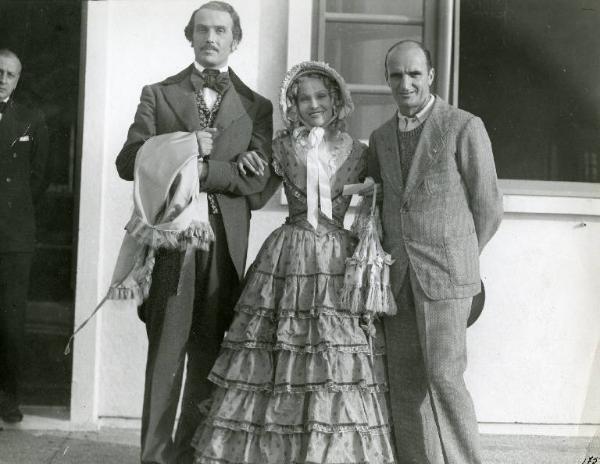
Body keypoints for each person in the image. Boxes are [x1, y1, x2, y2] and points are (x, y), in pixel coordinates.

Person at [192, 61, 396, 464]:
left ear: (337, 100)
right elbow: (254, 188)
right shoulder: (282, 146)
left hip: (339, 258)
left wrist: (374, 192)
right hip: (289, 254)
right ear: (293, 104)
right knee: (281, 349)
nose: (313, 104)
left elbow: (383, 197)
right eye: (304, 98)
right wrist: (238, 164)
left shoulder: (360, 152)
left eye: (321, 96)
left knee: (333, 356)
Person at [115, 2, 273, 463]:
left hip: (224, 246)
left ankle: (190, 455)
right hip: (170, 246)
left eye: (221, 30)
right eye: (202, 29)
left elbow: (257, 182)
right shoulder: (158, 95)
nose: (211, 37)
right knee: (166, 354)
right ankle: (155, 458)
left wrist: (203, 169)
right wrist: (185, 146)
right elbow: (129, 162)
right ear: (190, 36)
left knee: (210, 355)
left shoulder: (256, 106)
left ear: (235, 40)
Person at [367, 40, 503, 464]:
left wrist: (459, 258)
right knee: (404, 386)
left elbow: (489, 208)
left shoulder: (463, 126)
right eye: (395, 75)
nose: (404, 84)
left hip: (447, 278)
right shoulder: (380, 137)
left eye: (413, 74)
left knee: (444, 379)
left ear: (430, 76)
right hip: (398, 277)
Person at [0, 48, 49, 424]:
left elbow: (41, 178)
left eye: (10, 74)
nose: (3, 79)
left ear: (18, 80)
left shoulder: (30, 119)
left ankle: (7, 399)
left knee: (11, 320)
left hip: (14, 235)